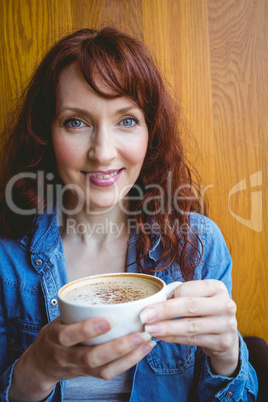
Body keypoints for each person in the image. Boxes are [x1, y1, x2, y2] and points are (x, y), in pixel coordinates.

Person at [0, 26, 258, 401]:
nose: (103, 152)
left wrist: (227, 358)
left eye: (126, 120)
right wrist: (35, 370)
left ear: (150, 133)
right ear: (46, 132)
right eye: (76, 122)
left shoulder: (199, 247)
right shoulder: (6, 259)